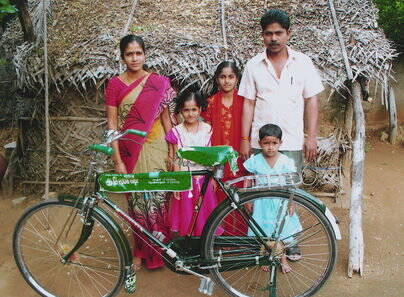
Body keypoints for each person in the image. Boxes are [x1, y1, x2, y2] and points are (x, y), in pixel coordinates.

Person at [105, 35, 176, 270]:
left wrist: (173, 153)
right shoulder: (115, 85)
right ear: (122, 56)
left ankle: (160, 249)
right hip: (129, 151)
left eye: (138, 53)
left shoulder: (158, 83)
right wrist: (117, 160)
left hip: (157, 148)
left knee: (157, 201)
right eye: (129, 54)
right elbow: (112, 126)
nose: (134, 58)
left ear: (145, 54)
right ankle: (140, 251)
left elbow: (167, 121)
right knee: (136, 202)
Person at [238, 9, 324, 171]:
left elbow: (311, 100)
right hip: (261, 142)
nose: (274, 38)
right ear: (262, 35)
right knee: (261, 191)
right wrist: (244, 139)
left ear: (288, 33)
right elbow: (248, 104)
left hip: (292, 141)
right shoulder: (253, 65)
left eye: (279, 33)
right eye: (269, 34)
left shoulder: (303, 62)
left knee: (291, 193)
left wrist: (311, 137)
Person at [243, 124, 302, 273]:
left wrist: (291, 203)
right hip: (262, 203)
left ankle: (282, 260)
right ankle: (264, 257)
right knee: (263, 232)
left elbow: (291, 185)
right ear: (259, 143)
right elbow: (248, 181)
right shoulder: (255, 160)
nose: (270, 147)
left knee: (279, 233)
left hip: (280, 203)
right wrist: (248, 200)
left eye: (274, 143)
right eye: (266, 143)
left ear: (280, 143)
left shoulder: (285, 162)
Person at [201, 61, 247, 235]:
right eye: (222, 77)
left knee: (241, 197)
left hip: (241, 159)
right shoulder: (210, 103)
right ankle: (223, 240)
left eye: (231, 77)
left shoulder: (245, 102)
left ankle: (241, 241)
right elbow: (205, 135)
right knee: (220, 199)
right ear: (217, 79)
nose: (226, 81)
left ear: (237, 79)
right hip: (218, 161)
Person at [165, 89, 219, 236]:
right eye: (186, 110)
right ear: (181, 111)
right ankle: (189, 247)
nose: (190, 114)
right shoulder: (177, 132)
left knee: (204, 215)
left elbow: (210, 156)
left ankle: (204, 247)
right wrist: (177, 183)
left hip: (203, 179)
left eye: (194, 109)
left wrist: (212, 177)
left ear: (200, 109)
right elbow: (177, 158)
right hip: (186, 181)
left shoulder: (207, 129)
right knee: (188, 216)